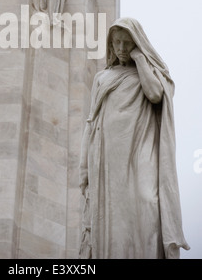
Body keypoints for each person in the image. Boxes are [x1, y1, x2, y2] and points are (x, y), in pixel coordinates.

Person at [79, 17, 190, 259]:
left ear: (137, 43)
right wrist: (84, 167)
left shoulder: (148, 73)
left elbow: (155, 94)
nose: (120, 49)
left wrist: (140, 59)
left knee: (147, 200)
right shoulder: (102, 77)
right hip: (109, 152)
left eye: (127, 44)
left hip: (140, 146)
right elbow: (91, 120)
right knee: (112, 212)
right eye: (116, 43)